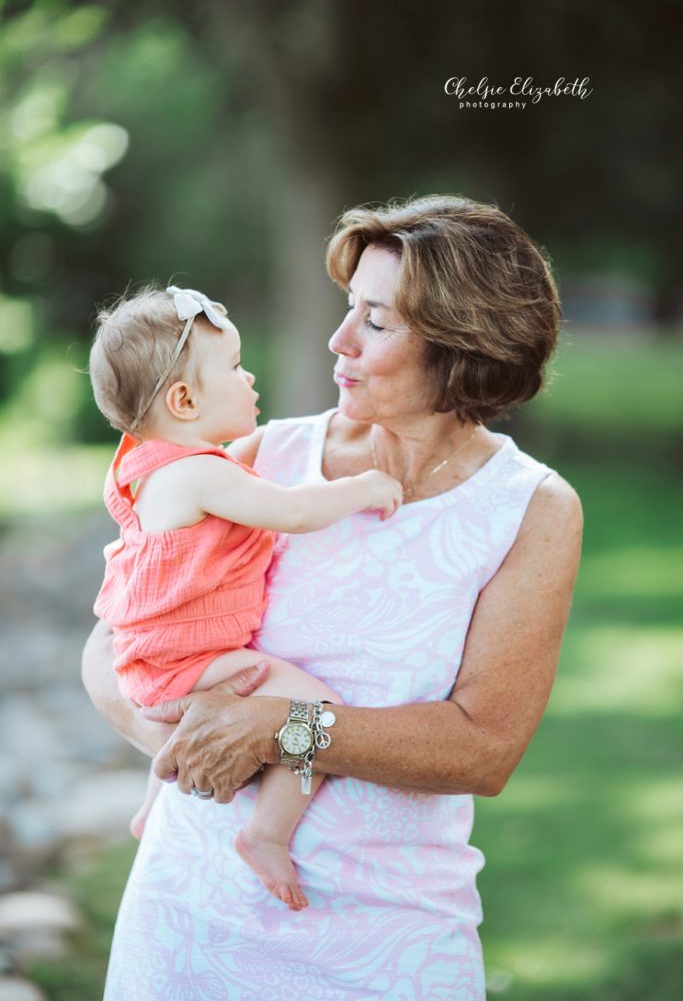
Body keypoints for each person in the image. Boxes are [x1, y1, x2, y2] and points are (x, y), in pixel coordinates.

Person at [82, 195, 583, 1001]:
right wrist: (186, 742)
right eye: (350, 308)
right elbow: (112, 644)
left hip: (389, 939)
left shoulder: (529, 508)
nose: (337, 341)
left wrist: (282, 728)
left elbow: (483, 749)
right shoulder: (259, 459)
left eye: (376, 322)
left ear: (462, 349)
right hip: (190, 919)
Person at [88, 284, 402, 912]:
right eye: (234, 367)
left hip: (153, 661)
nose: (249, 375)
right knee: (315, 707)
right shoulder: (202, 473)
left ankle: (154, 802)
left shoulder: (142, 467)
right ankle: (267, 834)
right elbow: (291, 510)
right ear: (183, 400)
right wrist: (364, 488)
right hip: (186, 663)